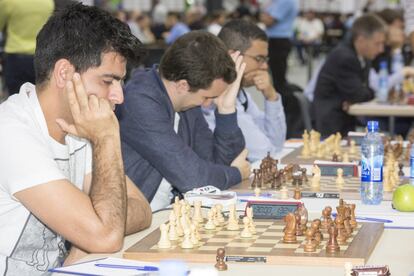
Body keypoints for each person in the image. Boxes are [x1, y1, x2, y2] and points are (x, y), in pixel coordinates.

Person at [0, 4, 152, 275]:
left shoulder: (77, 130)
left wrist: (88, 237)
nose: (119, 97)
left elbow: (141, 209)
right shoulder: (11, 133)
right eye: (108, 81)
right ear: (64, 73)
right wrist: (107, 136)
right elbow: (106, 235)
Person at [118, 31, 251, 210]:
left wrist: (226, 109)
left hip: (170, 214)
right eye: (207, 97)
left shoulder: (186, 102)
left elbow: (218, 164)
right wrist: (237, 173)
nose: (207, 104)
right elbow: (193, 179)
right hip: (137, 223)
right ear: (182, 85)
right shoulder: (140, 101)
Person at [203, 19, 286, 162]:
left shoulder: (242, 95)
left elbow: (277, 145)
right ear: (232, 56)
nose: (265, 66)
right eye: (259, 58)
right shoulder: (214, 95)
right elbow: (265, 154)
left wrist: (271, 96)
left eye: (266, 59)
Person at [312, 14, 387, 137]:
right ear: (361, 40)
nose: (381, 49)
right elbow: (360, 94)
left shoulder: (363, 57)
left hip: (345, 119)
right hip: (330, 124)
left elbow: (362, 93)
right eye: (377, 44)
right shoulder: (344, 57)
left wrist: (359, 95)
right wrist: (360, 95)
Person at [259, 0, 299, 138]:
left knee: (279, 82)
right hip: (275, 40)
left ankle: (285, 116)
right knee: (277, 80)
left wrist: (264, 11)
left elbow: (268, 20)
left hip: (279, 41)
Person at [0, 0, 54, 95]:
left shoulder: (9, 2)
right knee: (39, 96)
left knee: (16, 97)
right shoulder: (48, 2)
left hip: (16, 57)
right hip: (41, 56)